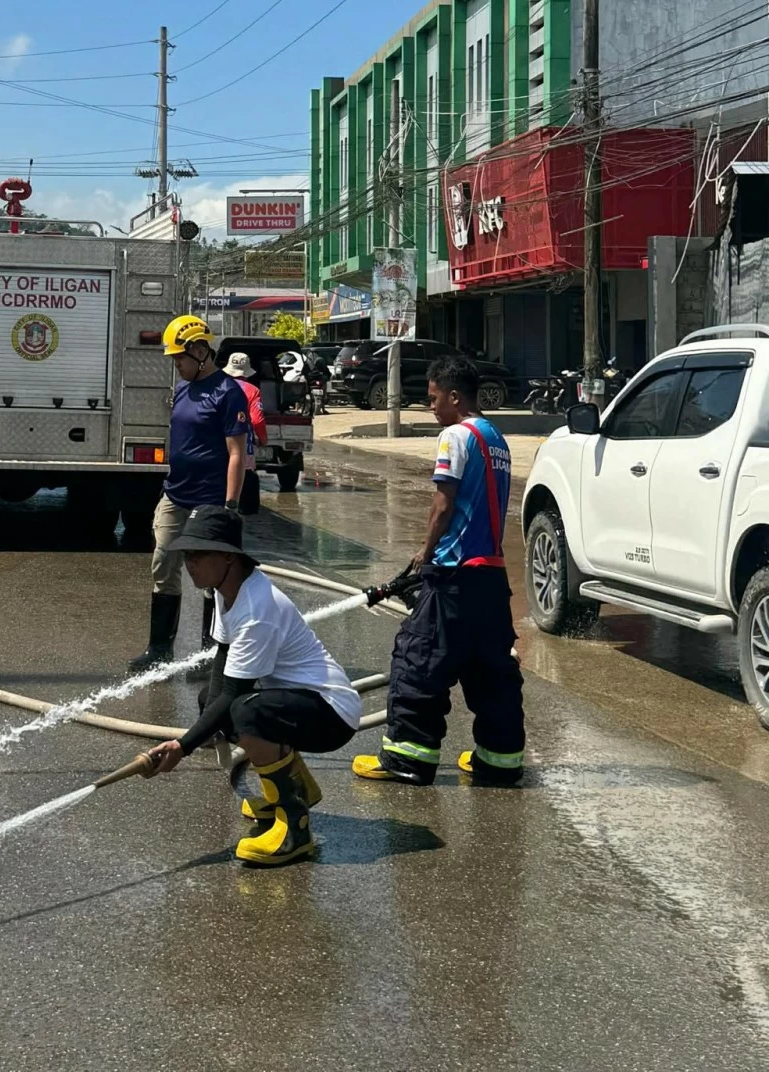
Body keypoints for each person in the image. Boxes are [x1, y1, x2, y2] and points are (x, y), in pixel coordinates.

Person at [144, 506, 360, 866]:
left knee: (244, 711)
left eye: (198, 554)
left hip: (332, 712)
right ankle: (297, 788)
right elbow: (222, 660)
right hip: (302, 702)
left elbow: (234, 694)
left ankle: (295, 828)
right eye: (186, 554)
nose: (189, 563)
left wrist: (182, 746)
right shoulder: (224, 591)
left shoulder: (258, 609)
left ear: (228, 558)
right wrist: (207, 722)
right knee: (214, 706)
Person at [351, 353, 525, 786]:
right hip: (490, 576)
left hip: (454, 575)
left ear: (453, 396)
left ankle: (408, 759)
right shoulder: (495, 437)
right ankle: (500, 762)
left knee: (418, 659)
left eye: (432, 399)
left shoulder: (454, 435)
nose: (430, 407)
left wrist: (424, 554)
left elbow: (443, 504)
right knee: (490, 671)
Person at [127, 317, 249, 672]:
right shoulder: (183, 388)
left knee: (211, 578)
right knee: (163, 563)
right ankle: (159, 649)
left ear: (200, 351)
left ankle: (210, 656)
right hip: (175, 495)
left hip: (210, 501)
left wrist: (230, 506)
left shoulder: (229, 393)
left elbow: (237, 454)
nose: (176, 365)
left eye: (179, 358)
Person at [222, 352, 267, 516]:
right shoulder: (252, 390)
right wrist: (262, 438)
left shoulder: (217, 387)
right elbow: (257, 420)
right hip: (242, 452)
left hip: (215, 451)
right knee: (243, 503)